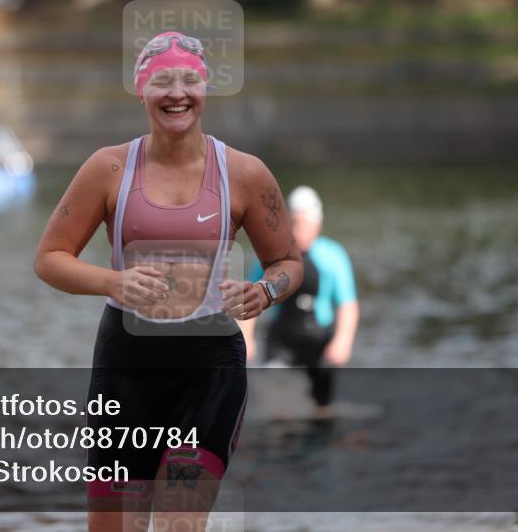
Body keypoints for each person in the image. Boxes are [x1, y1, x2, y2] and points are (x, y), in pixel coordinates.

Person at [35, 31, 303, 532]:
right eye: (162, 81)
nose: (176, 93)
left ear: (205, 90)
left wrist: (265, 290)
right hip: (126, 364)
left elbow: (289, 262)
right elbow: (50, 258)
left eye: (189, 81)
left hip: (209, 365)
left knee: (179, 522)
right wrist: (113, 283)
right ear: (142, 91)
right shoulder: (109, 168)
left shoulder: (245, 174)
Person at [240, 186, 359, 415]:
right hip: (283, 339)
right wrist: (246, 337)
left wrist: (343, 341)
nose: (297, 230)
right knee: (276, 399)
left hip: (319, 341)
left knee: (321, 409)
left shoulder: (333, 256)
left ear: (317, 224)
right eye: (292, 223)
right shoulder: (273, 256)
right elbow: (250, 296)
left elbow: (348, 305)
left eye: (303, 224)